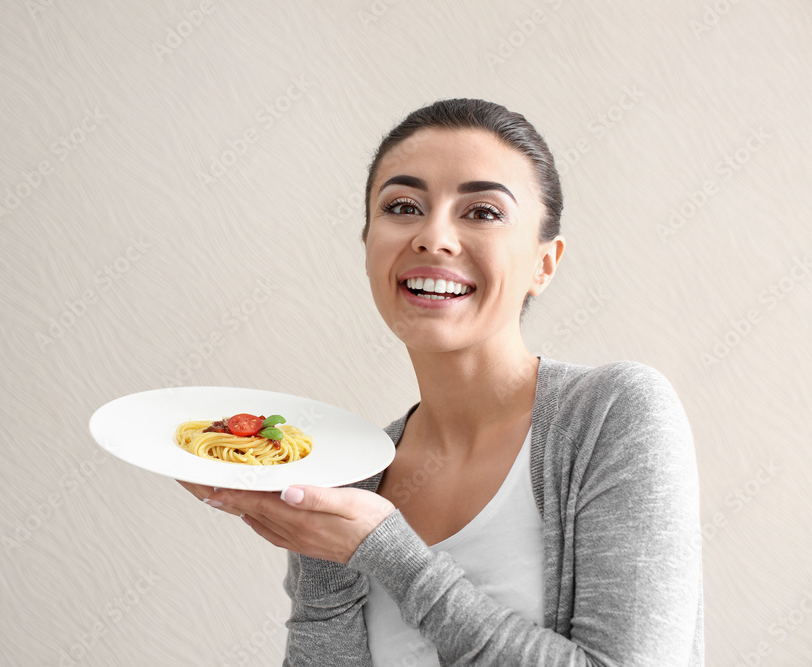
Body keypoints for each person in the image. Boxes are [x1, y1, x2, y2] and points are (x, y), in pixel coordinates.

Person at [179, 98, 704, 665]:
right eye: (403, 206)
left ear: (543, 264)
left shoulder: (615, 413)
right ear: (367, 246)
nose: (434, 237)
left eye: (481, 212)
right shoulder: (353, 476)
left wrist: (387, 553)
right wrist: (320, 555)